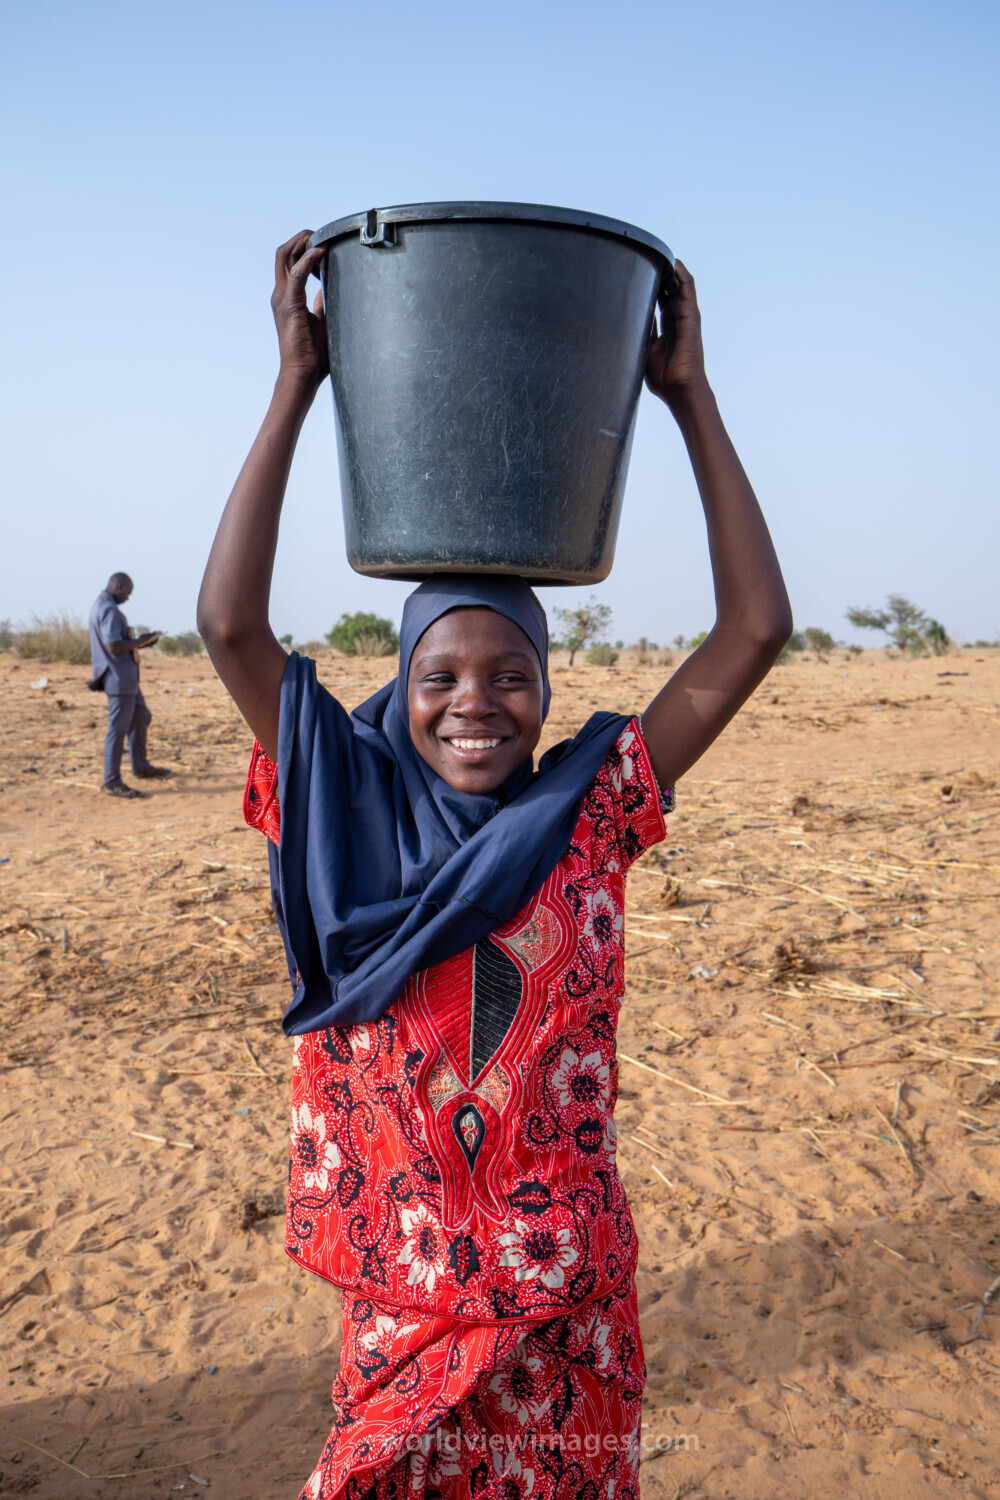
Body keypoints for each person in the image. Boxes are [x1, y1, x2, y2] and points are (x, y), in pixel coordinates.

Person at [198, 231, 791, 1500]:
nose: (478, 703)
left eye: (511, 674)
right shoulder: (335, 803)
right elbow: (229, 627)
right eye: (441, 677)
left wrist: (688, 398)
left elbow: (753, 630)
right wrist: (297, 384)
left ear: (545, 689)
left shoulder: (592, 810)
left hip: (561, 1300)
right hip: (399, 1300)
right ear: (397, 689)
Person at [88, 572, 171, 797]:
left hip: (126, 678)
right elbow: (113, 646)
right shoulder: (108, 609)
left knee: (141, 715)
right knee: (117, 730)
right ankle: (112, 781)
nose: (128, 597)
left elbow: (117, 644)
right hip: (119, 678)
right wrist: (142, 640)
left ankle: (141, 767)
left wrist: (140, 642)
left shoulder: (103, 605)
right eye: (128, 592)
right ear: (119, 585)